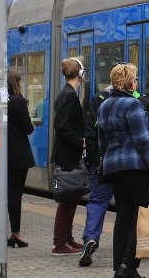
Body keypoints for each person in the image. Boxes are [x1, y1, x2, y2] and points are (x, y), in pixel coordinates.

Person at [98, 63, 149, 278]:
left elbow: (101, 141)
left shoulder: (104, 105)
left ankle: (119, 268)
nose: (137, 83)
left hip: (113, 168)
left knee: (123, 216)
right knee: (142, 216)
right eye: (134, 79)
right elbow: (143, 141)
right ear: (129, 82)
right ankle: (128, 265)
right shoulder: (132, 104)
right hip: (134, 167)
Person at [51, 57, 85, 256]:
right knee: (67, 200)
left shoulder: (68, 93)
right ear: (80, 73)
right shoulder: (69, 95)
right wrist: (79, 141)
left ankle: (67, 238)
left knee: (71, 199)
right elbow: (61, 125)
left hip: (68, 153)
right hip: (67, 154)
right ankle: (59, 243)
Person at [78, 84, 114, 267]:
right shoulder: (134, 101)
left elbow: (89, 132)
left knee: (98, 201)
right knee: (128, 208)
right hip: (125, 164)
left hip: (99, 161)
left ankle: (91, 237)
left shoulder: (96, 99)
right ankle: (127, 251)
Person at [6, 69, 35, 248]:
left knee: (7, 194)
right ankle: (16, 233)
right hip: (18, 155)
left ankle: (11, 232)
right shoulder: (18, 102)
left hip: (2, 154)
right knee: (16, 195)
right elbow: (28, 128)